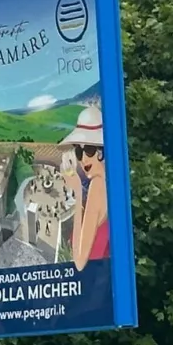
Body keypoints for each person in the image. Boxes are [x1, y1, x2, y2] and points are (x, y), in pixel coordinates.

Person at [59, 106, 109, 271]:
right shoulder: (109, 182)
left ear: (101, 151)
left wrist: (78, 191)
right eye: (78, 151)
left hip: (94, 283)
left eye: (88, 149)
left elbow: (79, 262)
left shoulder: (97, 185)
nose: (82, 159)